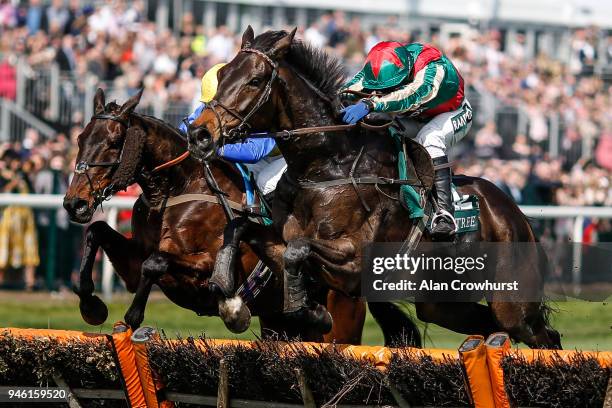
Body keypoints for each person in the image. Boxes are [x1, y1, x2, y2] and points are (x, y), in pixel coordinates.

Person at [340, 41, 472, 241]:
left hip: (452, 113)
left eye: (390, 87)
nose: (384, 91)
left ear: (406, 72)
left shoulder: (433, 68)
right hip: (413, 116)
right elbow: (350, 89)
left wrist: (371, 103)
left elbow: (413, 95)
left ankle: (445, 213)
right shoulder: (381, 66)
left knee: (430, 138)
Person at [179, 63, 287, 204]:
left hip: (284, 157)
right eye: (208, 105)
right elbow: (184, 128)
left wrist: (212, 148)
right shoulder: (213, 105)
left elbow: (254, 152)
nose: (209, 110)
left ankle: (280, 223)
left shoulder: (259, 110)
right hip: (261, 159)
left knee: (264, 183)